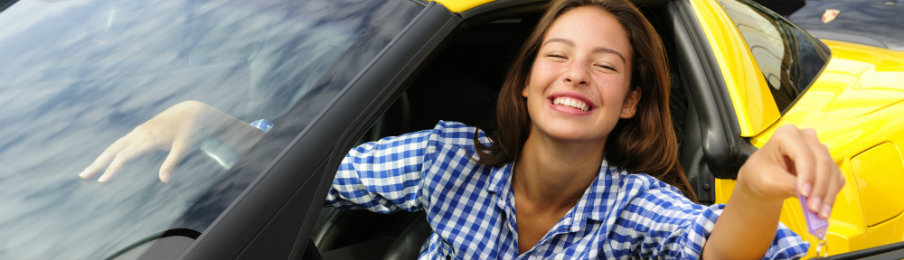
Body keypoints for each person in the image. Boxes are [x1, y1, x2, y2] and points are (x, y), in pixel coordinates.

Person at [79, 0, 845, 258]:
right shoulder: (450, 159)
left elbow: (721, 251)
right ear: (527, 79)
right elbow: (313, 170)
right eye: (557, 54)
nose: (577, 73)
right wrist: (211, 119)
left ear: (629, 103)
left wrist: (755, 192)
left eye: (606, 66)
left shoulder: (630, 207)